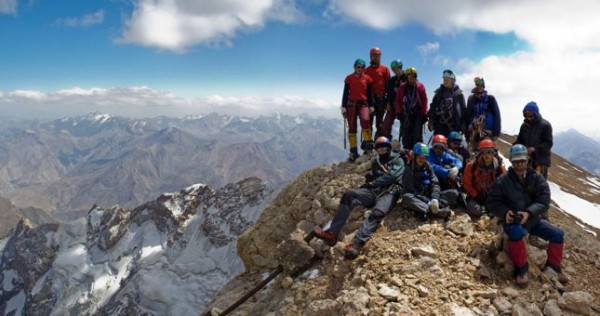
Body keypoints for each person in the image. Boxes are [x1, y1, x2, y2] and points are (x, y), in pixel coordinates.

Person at [487, 144, 569, 286]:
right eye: (516, 161)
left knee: (557, 234)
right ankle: (521, 268)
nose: (519, 164)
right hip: (513, 221)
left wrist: (529, 212)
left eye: (522, 160)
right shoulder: (502, 181)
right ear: (512, 162)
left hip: (533, 220)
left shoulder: (536, 177)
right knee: (516, 234)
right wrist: (505, 212)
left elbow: (544, 199)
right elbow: (492, 202)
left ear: (527, 160)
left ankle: (554, 266)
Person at [311, 137, 404, 259]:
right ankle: (332, 233)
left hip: (390, 192)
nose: (381, 151)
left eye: (384, 148)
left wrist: (374, 182)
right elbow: (375, 176)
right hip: (374, 191)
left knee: (377, 213)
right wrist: (369, 181)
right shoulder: (377, 161)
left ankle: (357, 243)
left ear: (389, 148)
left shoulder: (398, 160)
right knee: (349, 196)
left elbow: (392, 176)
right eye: (379, 148)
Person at [402, 142, 456, 221]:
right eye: (419, 157)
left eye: (424, 158)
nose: (422, 160)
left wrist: (435, 198)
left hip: (429, 195)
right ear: (414, 157)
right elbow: (410, 190)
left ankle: (426, 210)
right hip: (417, 197)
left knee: (454, 193)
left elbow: (435, 183)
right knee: (406, 197)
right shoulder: (408, 170)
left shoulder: (428, 167)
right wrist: (428, 201)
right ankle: (435, 211)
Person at [341, 58, 374, 161]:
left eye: (362, 67)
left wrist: (371, 105)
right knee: (352, 127)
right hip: (351, 104)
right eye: (358, 67)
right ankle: (353, 152)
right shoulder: (349, 78)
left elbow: (370, 93)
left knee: (365, 120)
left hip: (363, 104)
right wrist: (343, 106)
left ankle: (368, 148)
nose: (360, 69)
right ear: (354, 67)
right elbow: (345, 93)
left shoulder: (367, 79)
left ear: (364, 68)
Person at [463, 139, 506, 216]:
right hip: (476, 196)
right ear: (480, 153)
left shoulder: (499, 168)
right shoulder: (472, 166)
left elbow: (504, 185)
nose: (487, 155)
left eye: (490, 152)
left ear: (493, 153)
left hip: (492, 196)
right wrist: (476, 195)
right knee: (474, 209)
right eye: (484, 152)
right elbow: (466, 183)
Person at [391, 67, 428, 151]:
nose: (412, 77)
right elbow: (398, 101)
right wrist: (399, 113)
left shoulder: (420, 86)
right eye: (410, 75)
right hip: (405, 114)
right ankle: (407, 152)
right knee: (406, 134)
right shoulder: (402, 87)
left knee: (417, 134)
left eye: (413, 76)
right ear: (407, 76)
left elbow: (425, 101)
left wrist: (424, 114)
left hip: (417, 114)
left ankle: (417, 154)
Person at [514, 101, 553, 179]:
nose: (527, 115)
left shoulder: (545, 125)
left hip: (540, 161)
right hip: (526, 160)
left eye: (530, 112)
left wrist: (535, 149)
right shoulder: (524, 126)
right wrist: (514, 147)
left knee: (539, 184)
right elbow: (519, 140)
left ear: (535, 112)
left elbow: (548, 143)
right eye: (525, 113)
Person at [466, 77, 501, 154]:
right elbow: (469, 115)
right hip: (475, 131)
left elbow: (497, 116)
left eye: (480, 84)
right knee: (474, 153)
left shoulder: (490, 99)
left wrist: (496, 133)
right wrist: (472, 124)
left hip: (488, 132)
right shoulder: (472, 99)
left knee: (489, 152)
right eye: (477, 84)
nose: (479, 86)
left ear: (483, 86)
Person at [428, 70, 467, 137]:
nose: (445, 81)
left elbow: (463, 110)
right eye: (444, 79)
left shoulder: (458, 95)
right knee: (439, 145)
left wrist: (463, 124)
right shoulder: (439, 93)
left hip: (454, 125)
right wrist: (431, 120)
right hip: (439, 124)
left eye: (447, 80)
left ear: (452, 81)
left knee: (453, 144)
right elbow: (433, 107)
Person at [365, 47, 391, 139]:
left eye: (377, 55)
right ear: (370, 57)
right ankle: (368, 145)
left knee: (379, 124)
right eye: (373, 56)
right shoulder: (366, 70)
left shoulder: (385, 69)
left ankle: (378, 145)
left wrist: (388, 102)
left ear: (380, 57)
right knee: (368, 123)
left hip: (381, 99)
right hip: (369, 100)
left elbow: (389, 87)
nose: (375, 57)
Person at [381, 59, 406, 140]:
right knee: (386, 125)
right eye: (393, 69)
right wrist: (388, 104)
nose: (395, 70)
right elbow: (388, 93)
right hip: (393, 105)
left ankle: (406, 146)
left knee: (405, 127)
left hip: (404, 107)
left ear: (400, 67)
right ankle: (386, 143)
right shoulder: (392, 80)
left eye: (396, 68)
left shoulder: (407, 77)